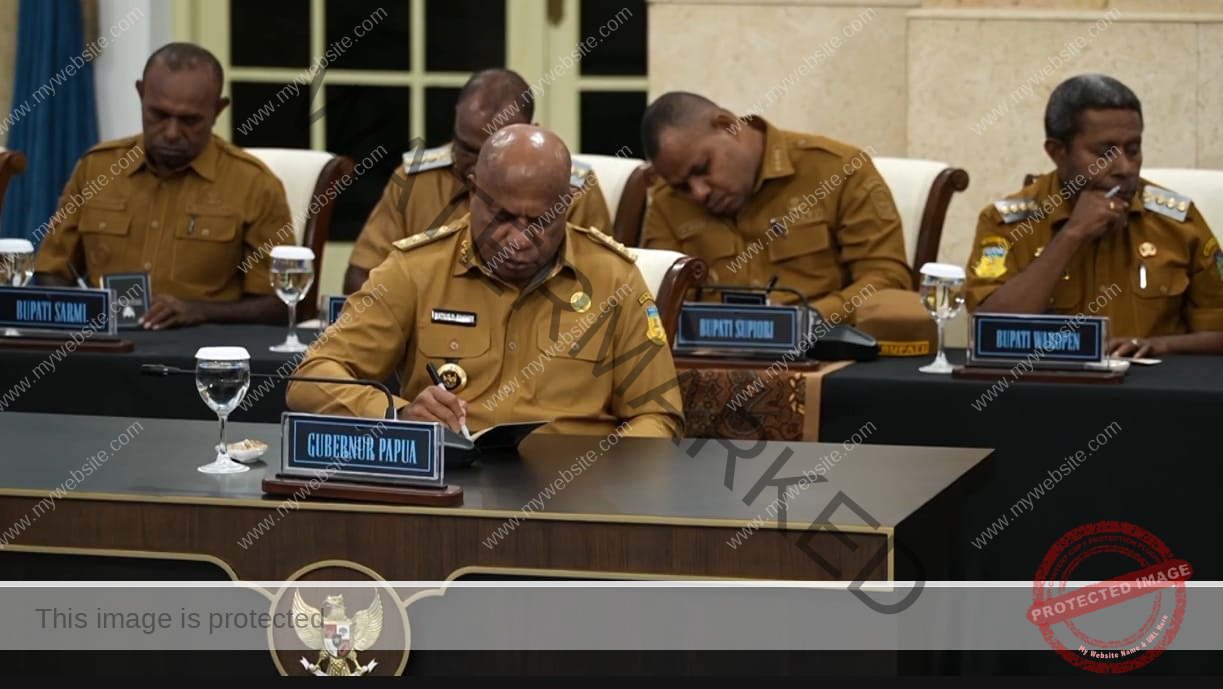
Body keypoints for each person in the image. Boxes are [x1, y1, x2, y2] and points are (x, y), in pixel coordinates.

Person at [287, 123, 685, 439]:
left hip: (574, 491)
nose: (520, 239)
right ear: (473, 192)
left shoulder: (614, 277)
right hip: (450, 484)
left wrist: (606, 475)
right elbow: (311, 379)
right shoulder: (416, 269)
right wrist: (397, 414)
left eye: (540, 221)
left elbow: (659, 415)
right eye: (504, 218)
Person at [32, 42, 295, 330]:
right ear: (140, 94)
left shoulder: (255, 185)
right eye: (158, 115)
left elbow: (281, 304)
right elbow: (51, 272)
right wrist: (88, 316)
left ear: (217, 110)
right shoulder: (97, 168)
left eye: (190, 121)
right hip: (106, 341)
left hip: (202, 345)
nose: (171, 133)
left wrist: (202, 312)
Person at [965, 74, 1223, 357]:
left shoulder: (1178, 223)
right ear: (1057, 152)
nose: (1125, 167)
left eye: (1133, 150)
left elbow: (1217, 332)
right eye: (1105, 153)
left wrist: (1161, 346)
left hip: (1153, 382)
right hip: (1047, 381)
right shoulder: (1006, 224)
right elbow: (989, 331)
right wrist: (1072, 235)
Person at [638, 91, 913, 324]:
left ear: (727, 125)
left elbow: (888, 280)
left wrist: (809, 319)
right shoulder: (667, 202)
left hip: (825, 350)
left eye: (702, 168)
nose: (699, 193)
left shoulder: (839, 171)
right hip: (708, 356)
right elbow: (655, 297)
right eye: (683, 187)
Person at [342, 69, 613, 295]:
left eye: (493, 151)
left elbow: (600, 284)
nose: (479, 164)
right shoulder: (415, 181)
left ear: (531, 132)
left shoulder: (573, 189)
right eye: (467, 149)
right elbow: (362, 275)